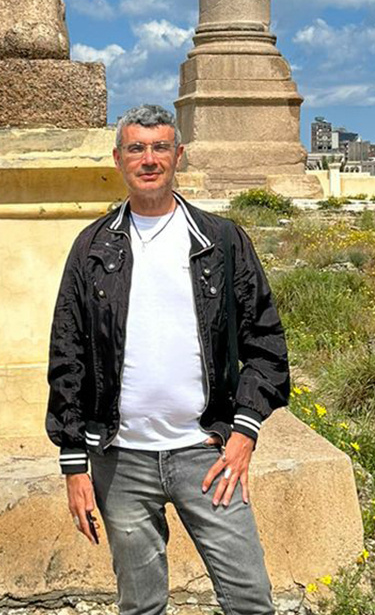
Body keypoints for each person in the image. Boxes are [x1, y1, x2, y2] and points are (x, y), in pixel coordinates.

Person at [46, 104, 289, 615]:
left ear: (179, 156)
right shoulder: (92, 248)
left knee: (250, 599)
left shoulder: (221, 242)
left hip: (208, 453)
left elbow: (266, 344)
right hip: (120, 460)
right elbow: (68, 356)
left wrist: (244, 432)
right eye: (136, 148)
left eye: (160, 148)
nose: (149, 159)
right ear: (118, 159)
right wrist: (73, 463)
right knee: (141, 607)